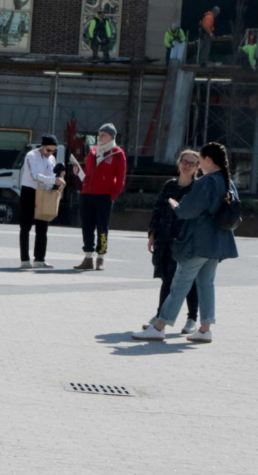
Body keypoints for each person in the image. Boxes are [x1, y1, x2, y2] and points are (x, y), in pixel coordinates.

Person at [133, 142, 238, 344]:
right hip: (218, 241)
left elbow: (186, 211)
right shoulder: (227, 181)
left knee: (180, 283)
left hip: (199, 240)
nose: (198, 163)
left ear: (207, 160)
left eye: (199, 159)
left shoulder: (207, 182)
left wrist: (175, 204)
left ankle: (159, 326)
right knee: (206, 284)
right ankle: (205, 329)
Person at [143, 149, 201, 333]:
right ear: (179, 162)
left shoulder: (198, 188)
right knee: (167, 279)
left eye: (192, 163)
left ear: (197, 167)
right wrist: (152, 234)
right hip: (166, 239)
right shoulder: (169, 185)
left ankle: (192, 319)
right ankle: (160, 316)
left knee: (189, 280)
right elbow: (157, 209)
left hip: (187, 241)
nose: (187, 165)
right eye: (185, 161)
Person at [72, 123, 126, 271]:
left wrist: (111, 197)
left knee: (102, 228)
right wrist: (78, 173)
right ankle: (88, 257)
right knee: (87, 226)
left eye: (104, 135)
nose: (100, 137)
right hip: (87, 194)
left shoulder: (117, 153)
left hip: (104, 196)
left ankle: (101, 257)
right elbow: (89, 174)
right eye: (99, 134)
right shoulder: (93, 151)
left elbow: (120, 179)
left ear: (111, 137)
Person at [19, 135, 65, 269]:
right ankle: (24, 259)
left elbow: (50, 175)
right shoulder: (31, 155)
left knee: (43, 225)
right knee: (26, 225)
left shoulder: (51, 158)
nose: (50, 153)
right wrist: (53, 180)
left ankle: (39, 259)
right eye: (48, 150)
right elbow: (35, 176)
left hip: (44, 191)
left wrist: (58, 180)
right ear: (42, 146)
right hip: (29, 191)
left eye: (53, 151)